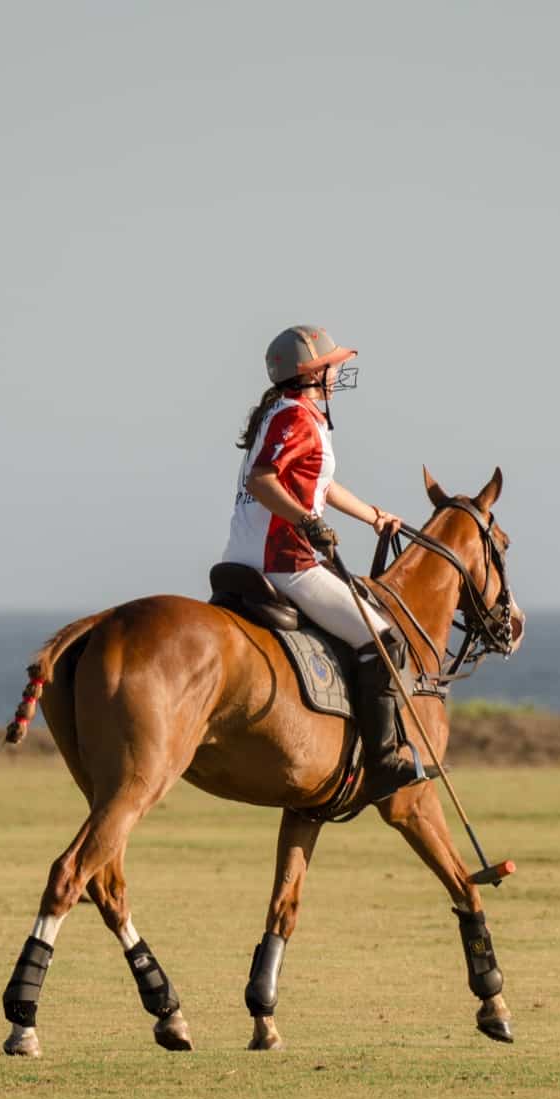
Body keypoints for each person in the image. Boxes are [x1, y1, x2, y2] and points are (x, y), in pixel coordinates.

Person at [224, 325, 429, 801]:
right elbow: (262, 481)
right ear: (311, 373)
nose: (338, 372)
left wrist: (373, 516)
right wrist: (308, 523)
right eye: (331, 365)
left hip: (249, 556)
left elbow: (320, 486)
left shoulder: (287, 414)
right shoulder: (296, 417)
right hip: (284, 561)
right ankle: (381, 764)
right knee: (384, 639)